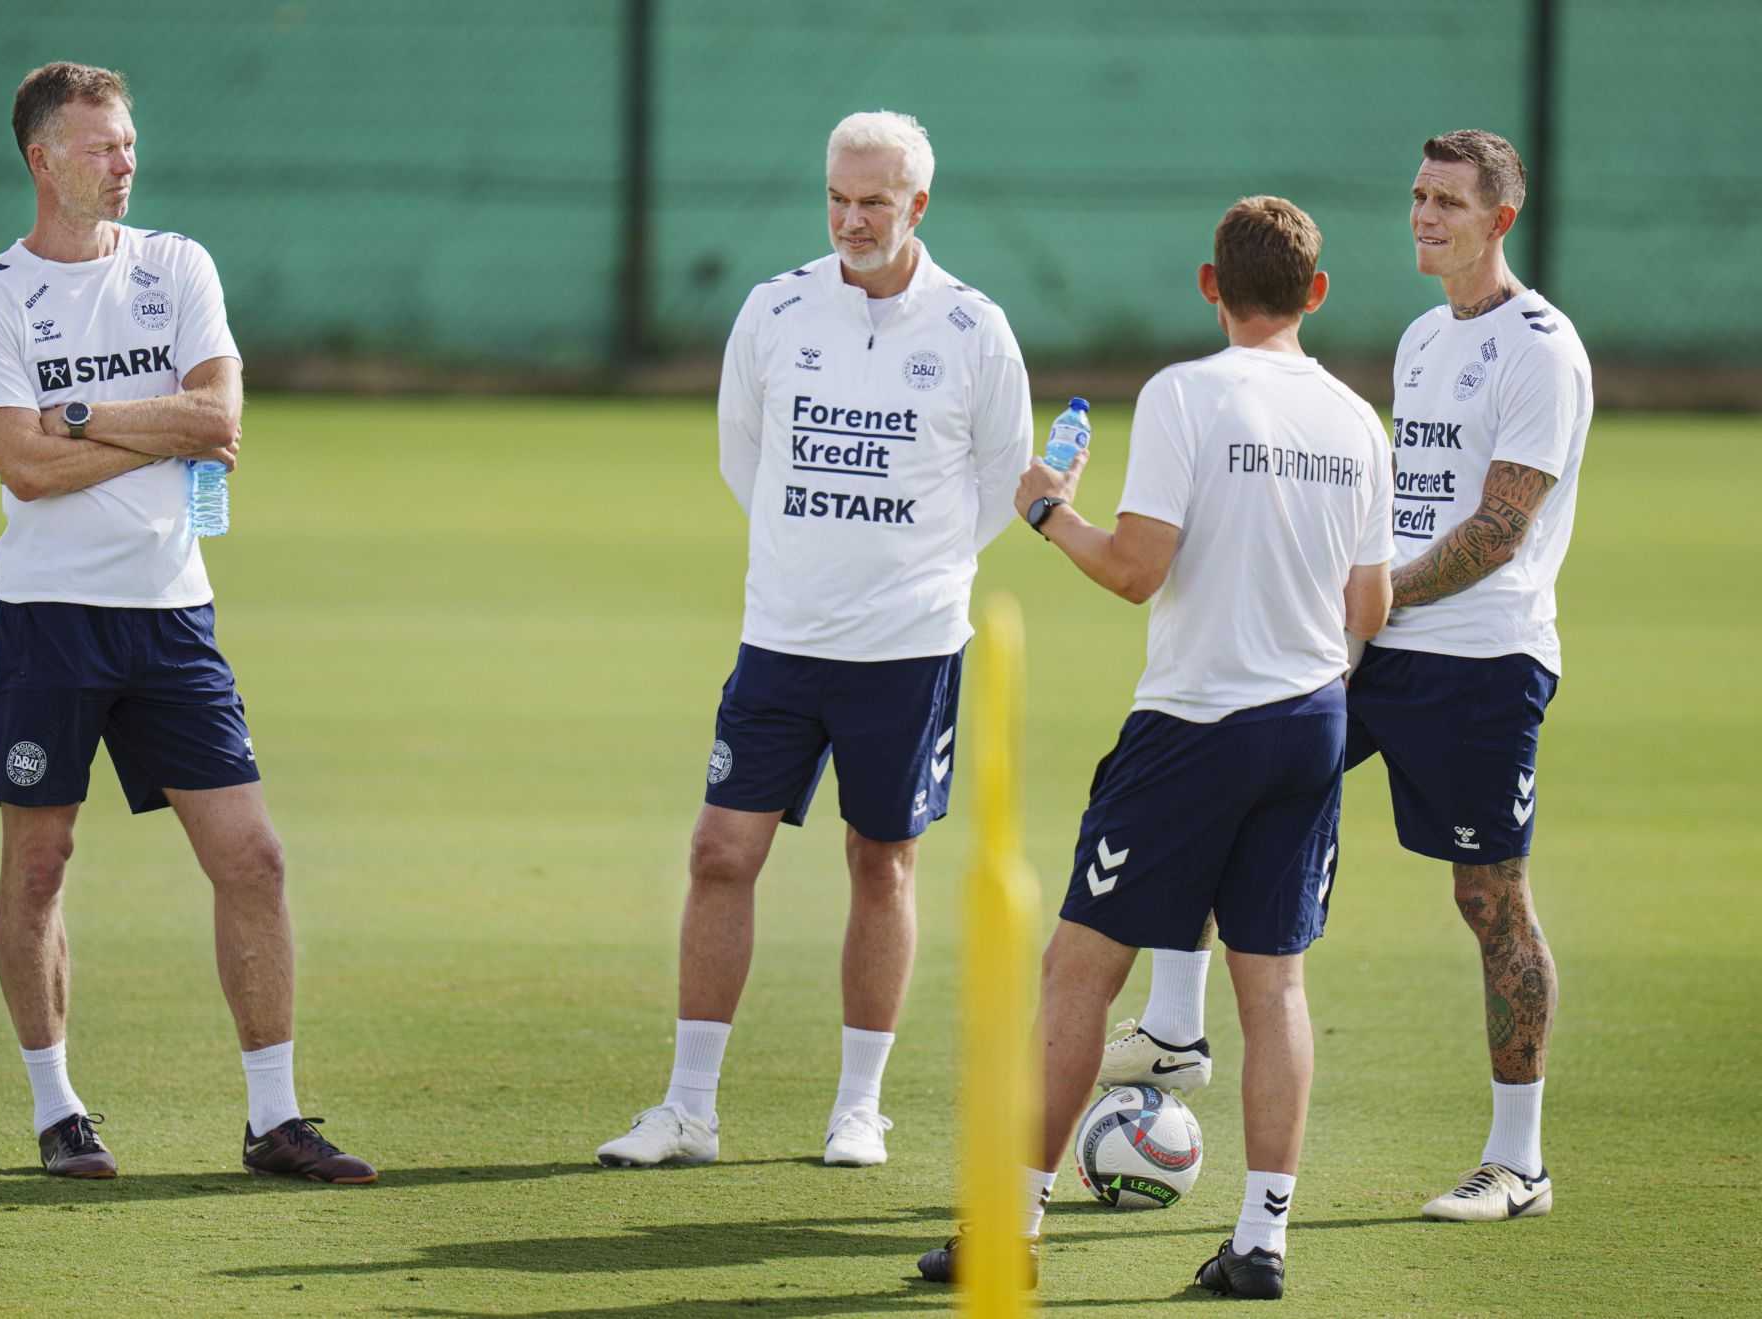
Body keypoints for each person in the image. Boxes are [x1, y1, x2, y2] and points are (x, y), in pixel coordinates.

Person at [1107, 130, 1590, 1224]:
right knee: (1226, 779)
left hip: (1482, 659)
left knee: (1489, 898)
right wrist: (1354, 599)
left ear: (1500, 219)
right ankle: (1175, 1028)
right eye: (1418, 196)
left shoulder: (1543, 349)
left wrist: (1367, 594)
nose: (1425, 215)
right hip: (1373, 642)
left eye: (1449, 201)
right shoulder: (1422, 337)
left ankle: (1519, 1162)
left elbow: (1500, 527)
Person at [917, 196, 1394, 1298]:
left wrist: (1049, 511)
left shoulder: (1187, 392)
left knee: (1078, 971)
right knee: (1274, 988)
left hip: (1195, 725)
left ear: (1210, 285)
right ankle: (1262, 1242)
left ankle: (1013, 1227)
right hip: (1311, 723)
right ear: (1317, 293)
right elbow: (1368, 606)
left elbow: (1136, 569)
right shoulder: (1357, 420)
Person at [596, 110, 1033, 1170]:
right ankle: (689, 1109)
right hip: (781, 639)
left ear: (918, 204)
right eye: (837, 197)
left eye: (873, 201)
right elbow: (743, 456)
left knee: (882, 861)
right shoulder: (775, 308)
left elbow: (1000, 483)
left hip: (908, 648)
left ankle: (859, 1107)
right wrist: (810, 561)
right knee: (719, 852)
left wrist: (908, 573)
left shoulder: (975, 329)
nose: (851, 219)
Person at [0, 62, 374, 1183]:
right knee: (40, 861)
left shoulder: (177, 263)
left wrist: (78, 413)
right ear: (43, 159)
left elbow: (219, 417)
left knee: (253, 857)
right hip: (48, 618)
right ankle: (58, 1110)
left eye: (129, 142)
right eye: (100, 145)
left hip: (171, 614)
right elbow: (23, 467)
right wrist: (148, 428)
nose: (125, 161)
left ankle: (274, 1118)